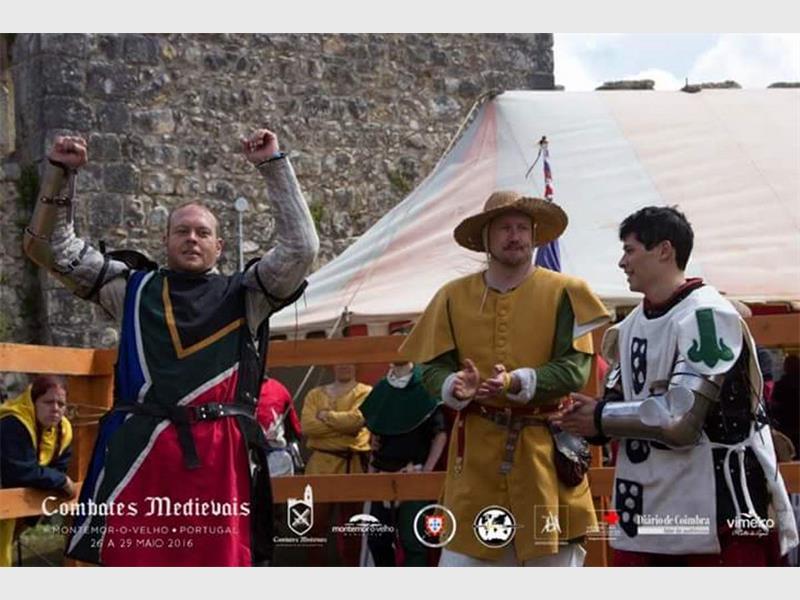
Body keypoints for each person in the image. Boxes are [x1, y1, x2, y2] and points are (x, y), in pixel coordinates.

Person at [23, 128, 319, 566]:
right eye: (182, 231)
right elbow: (47, 247)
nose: (192, 238)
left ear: (219, 245)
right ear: (166, 241)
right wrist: (61, 173)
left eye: (202, 232)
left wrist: (274, 165)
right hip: (141, 455)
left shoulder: (248, 295)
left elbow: (301, 249)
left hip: (219, 459)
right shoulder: (131, 290)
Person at [554, 205, 799, 566]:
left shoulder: (707, 317)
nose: (622, 262)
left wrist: (601, 416)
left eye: (630, 250)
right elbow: (619, 400)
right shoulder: (630, 326)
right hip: (647, 505)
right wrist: (584, 418)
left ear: (664, 251)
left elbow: (681, 420)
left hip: (716, 507)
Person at [399, 190, 610, 567]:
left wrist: (517, 382)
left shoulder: (567, 292)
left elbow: (575, 369)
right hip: (476, 461)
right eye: (504, 228)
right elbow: (429, 368)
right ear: (486, 237)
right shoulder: (451, 296)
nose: (515, 236)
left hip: (545, 458)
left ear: (534, 234)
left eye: (522, 228)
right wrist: (453, 386)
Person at [360, 360, 447, 566]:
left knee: (413, 542)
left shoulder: (425, 385)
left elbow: (440, 433)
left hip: (413, 474)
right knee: (377, 540)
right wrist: (372, 471)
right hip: (382, 476)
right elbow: (376, 434)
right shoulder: (382, 388)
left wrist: (425, 472)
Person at [0, 375, 76, 567]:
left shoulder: (64, 430)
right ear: (34, 402)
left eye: (61, 404)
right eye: (48, 402)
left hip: (16, 507)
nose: (55, 408)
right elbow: (20, 472)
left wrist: (55, 480)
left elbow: (58, 467)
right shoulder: (12, 423)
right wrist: (61, 481)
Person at [300, 363, 371, 565]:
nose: (344, 366)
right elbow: (308, 427)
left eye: (348, 361)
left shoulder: (365, 392)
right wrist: (343, 426)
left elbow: (356, 422)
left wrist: (325, 416)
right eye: (340, 361)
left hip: (353, 466)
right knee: (314, 527)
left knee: (353, 528)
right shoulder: (315, 395)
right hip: (320, 466)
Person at [256, 375, 303, 476]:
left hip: (275, 457)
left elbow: (293, 430)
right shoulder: (232, 387)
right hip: (243, 456)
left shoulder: (278, 389)